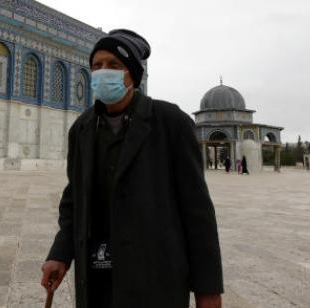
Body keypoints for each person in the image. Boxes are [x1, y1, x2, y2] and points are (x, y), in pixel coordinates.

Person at [41, 29, 223, 308]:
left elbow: (197, 211)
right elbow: (73, 200)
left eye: (114, 65)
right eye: (97, 65)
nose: (103, 71)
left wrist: (207, 290)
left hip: (155, 278)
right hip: (98, 278)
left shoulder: (169, 122)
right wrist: (60, 253)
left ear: (133, 76)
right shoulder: (82, 129)